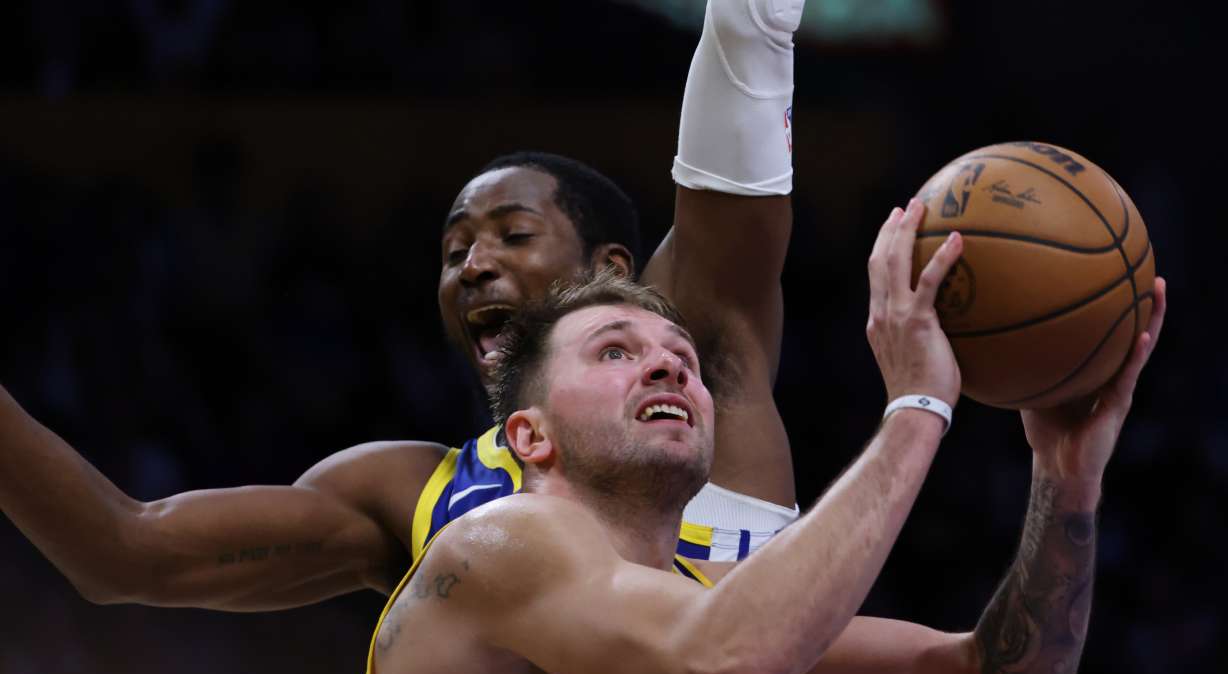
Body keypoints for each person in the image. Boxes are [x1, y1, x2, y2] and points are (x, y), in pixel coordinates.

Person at [0, 0, 803, 616]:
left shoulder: (699, 370)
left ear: (611, 269)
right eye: (453, 254)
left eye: (513, 235)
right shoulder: (413, 493)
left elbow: (747, 52)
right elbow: (125, 553)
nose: (473, 266)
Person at [364, 209, 1168, 674]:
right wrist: (919, 406)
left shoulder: (705, 599)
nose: (666, 363)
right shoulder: (499, 546)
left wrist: (1066, 481)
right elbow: (731, 665)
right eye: (614, 350)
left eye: (681, 357)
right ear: (528, 437)